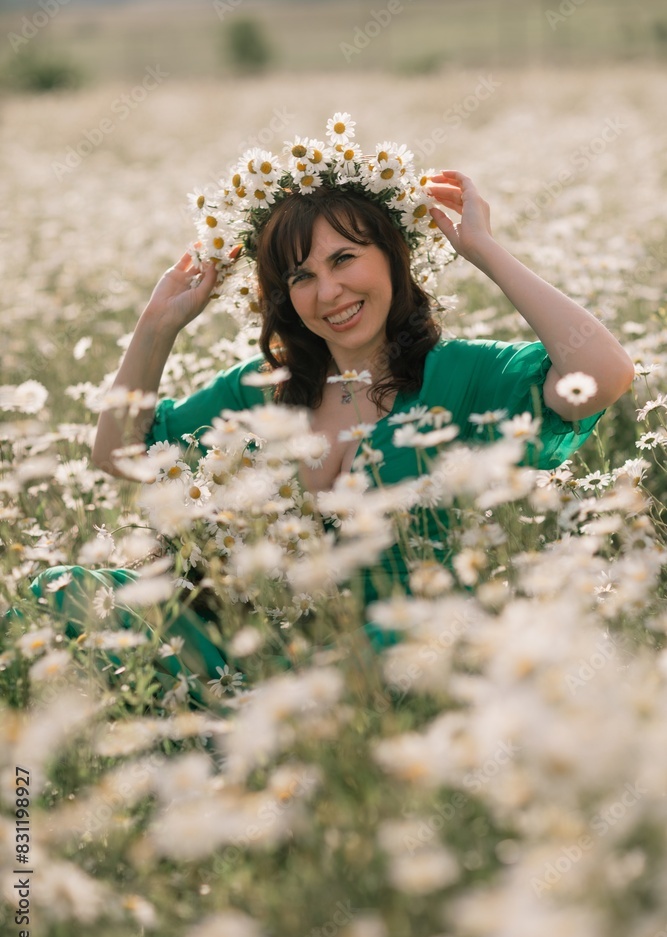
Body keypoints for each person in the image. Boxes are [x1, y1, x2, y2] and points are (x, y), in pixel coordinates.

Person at [30, 117, 636, 703]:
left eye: (345, 259)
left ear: (394, 254)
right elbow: (118, 455)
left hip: (405, 662)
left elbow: (604, 376)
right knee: (66, 592)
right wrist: (157, 326)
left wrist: (482, 248)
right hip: (256, 665)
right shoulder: (264, 390)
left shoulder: (462, 377)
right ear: (284, 297)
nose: (328, 293)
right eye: (301, 276)